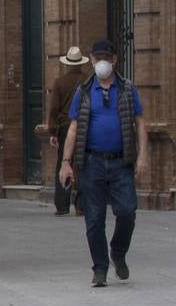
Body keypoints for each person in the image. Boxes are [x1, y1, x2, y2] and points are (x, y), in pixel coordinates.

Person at [58, 39, 149, 287]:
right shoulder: (84, 91)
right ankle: (100, 269)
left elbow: (140, 122)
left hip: (121, 162)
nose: (102, 63)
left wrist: (142, 155)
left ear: (115, 60)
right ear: (92, 60)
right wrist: (66, 163)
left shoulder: (128, 89)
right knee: (94, 219)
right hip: (91, 162)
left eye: (106, 58)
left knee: (127, 211)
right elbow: (74, 128)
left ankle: (118, 253)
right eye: (97, 59)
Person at [48, 46, 89, 217]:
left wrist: (52, 132)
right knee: (83, 165)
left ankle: (62, 205)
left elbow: (54, 110)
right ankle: (81, 206)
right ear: (81, 63)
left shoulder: (59, 82)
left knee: (63, 164)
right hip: (86, 126)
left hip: (65, 127)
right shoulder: (88, 80)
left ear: (67, 64)